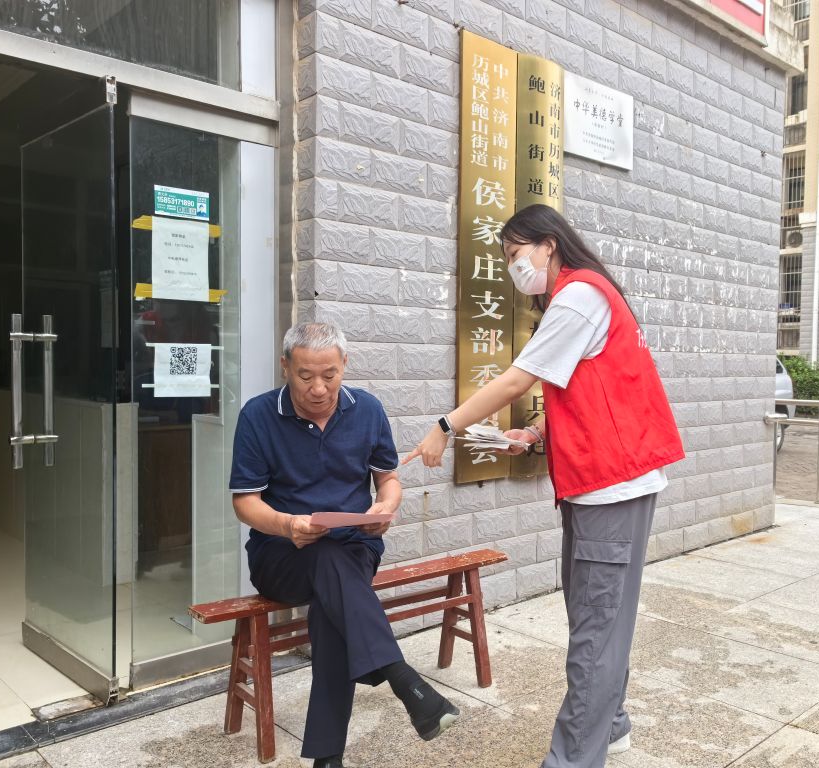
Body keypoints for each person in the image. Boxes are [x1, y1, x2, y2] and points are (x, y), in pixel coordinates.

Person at [404, 204, 684, 768]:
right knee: (594, 616)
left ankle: (574, 757)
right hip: (602, 480)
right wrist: (533, 433)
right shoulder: (585, 294)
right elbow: (589, 390)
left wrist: (444, 427)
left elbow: (516, 379)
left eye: (515, 253)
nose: (513, 267)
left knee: (596, 625)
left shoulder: (579, 296)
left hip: (611, 483)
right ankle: (612, 725)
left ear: (547, 245)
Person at [230, 322, 459, 768]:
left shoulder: (367, 409)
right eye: (305, 376)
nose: (318, 388)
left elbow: (388, 480)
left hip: (355, 546)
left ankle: (328, 758)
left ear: (344, 365)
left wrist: (385, 509)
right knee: (328, 568)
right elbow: (245, 503)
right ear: (285, 367)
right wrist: (287, 524)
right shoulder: (258, 416)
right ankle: (401, 677)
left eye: (329, 375)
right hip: (281, 555)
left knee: (333, 590)